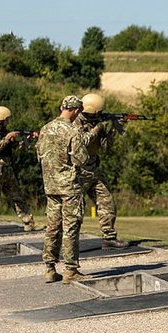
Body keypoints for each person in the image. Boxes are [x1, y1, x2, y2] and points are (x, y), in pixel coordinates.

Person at [37, 96, 88, 284]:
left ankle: (49, 269)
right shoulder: (72, 131)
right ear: (76, 111)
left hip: (50, 186)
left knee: (52, 227)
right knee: (70, 228)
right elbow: (81, 159)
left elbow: (39, 156)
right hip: (69, 187)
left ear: (62, 108)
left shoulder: (45, 129)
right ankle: (71, 270)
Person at [75, 93, 129, 248]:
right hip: (79, 171)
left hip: (94, 168)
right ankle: (69, 242)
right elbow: (80, 143)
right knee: (76, 209)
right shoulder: (75, 123)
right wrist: (98, 128)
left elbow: (106, 147)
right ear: (94, 111)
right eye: (99, 112)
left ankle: (109, 236)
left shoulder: (97, 123)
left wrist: (114, 128)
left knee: (107, 202)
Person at [0, 106, 38, 236]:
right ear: (1, 119)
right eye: (6, 119)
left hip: (7, 169)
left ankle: (28, 222)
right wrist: (7, 138)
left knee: (17, 196)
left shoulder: (5, 132)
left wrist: (27, 139)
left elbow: (15, 147)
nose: (8, 122)